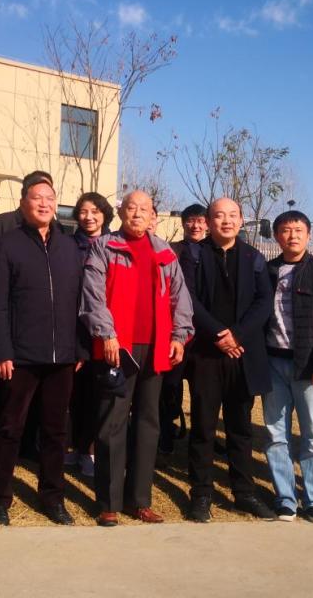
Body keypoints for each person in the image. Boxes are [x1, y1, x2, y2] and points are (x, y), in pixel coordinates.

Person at [80, 190, 194, 527]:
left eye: (144, 209)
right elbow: (92, 296)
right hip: (118, 348)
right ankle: (109, 502)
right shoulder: (105, 247)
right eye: (131, 207)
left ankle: (139, 500)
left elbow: (180, 297)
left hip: (156, 349)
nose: (137, 213)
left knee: (148, 423)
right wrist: (106, 333)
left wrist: (179, 335)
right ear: (121, 213)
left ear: (153, 216)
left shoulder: (164, 252)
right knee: (112, 423)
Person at [0, 177, 84, 526]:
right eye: (37, 197)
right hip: (20, 356)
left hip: (62, 357)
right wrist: (1, 351)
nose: (44, 203)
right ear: (23, 203)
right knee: (9, 428)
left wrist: (79, 348)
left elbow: (79, 301)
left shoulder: (69, 247)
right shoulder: (6, 245)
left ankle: (53, 497)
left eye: (49, 198)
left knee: (56, 431)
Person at [183, 198, 276, 523]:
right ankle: (201, 494)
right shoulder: (194, 255)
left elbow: (264, 301)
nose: (226, 221)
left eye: (233, 215)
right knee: (203, 428)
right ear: (208, 221)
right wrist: (218, 334)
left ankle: (244, 493)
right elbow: (188, 299)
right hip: (206, 354)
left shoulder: (253, 258)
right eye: (219, 215)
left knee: (240, 429)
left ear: (241, 220)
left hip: (243, 355)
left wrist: (237, 335)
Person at [261, 210, 313, 524]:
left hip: (310, 368)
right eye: (285, 230)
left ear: (308, 234)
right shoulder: (267, 270)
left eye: (298, 230)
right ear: (277, 236)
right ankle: (285, 499)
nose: (292, 236)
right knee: (276, 435)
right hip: (273, 363)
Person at [67, 192, 114, 478]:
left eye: (95, 211)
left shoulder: (114, 244)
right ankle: (78, 447)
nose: (89, 217)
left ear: (105, 214)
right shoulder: (67, 245)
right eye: (84, 211)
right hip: (77, 330)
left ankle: (94, 451)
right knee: (78, 395)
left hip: (109, 331)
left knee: (103, 396)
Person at [160, 202, 207, 453]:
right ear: (183, 223)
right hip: (177, 330)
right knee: (170, 386)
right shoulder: (173, 250)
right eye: (191, 220)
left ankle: (202, 438)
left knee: (203, 391)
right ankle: (166, 432)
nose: (195, 225)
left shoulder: (213, 251)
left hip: (206, 333)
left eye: (200, 221)